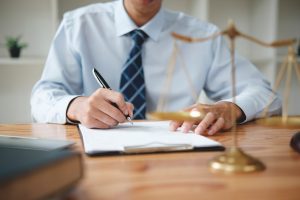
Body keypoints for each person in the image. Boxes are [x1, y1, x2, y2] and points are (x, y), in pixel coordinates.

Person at [31, 0, 281, 135]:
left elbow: (266, 94)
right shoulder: (78, 25)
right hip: (93, 157)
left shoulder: (203, 35)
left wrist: (230, 108)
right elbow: (42, 97)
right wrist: (76, 106)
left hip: (180, 156)